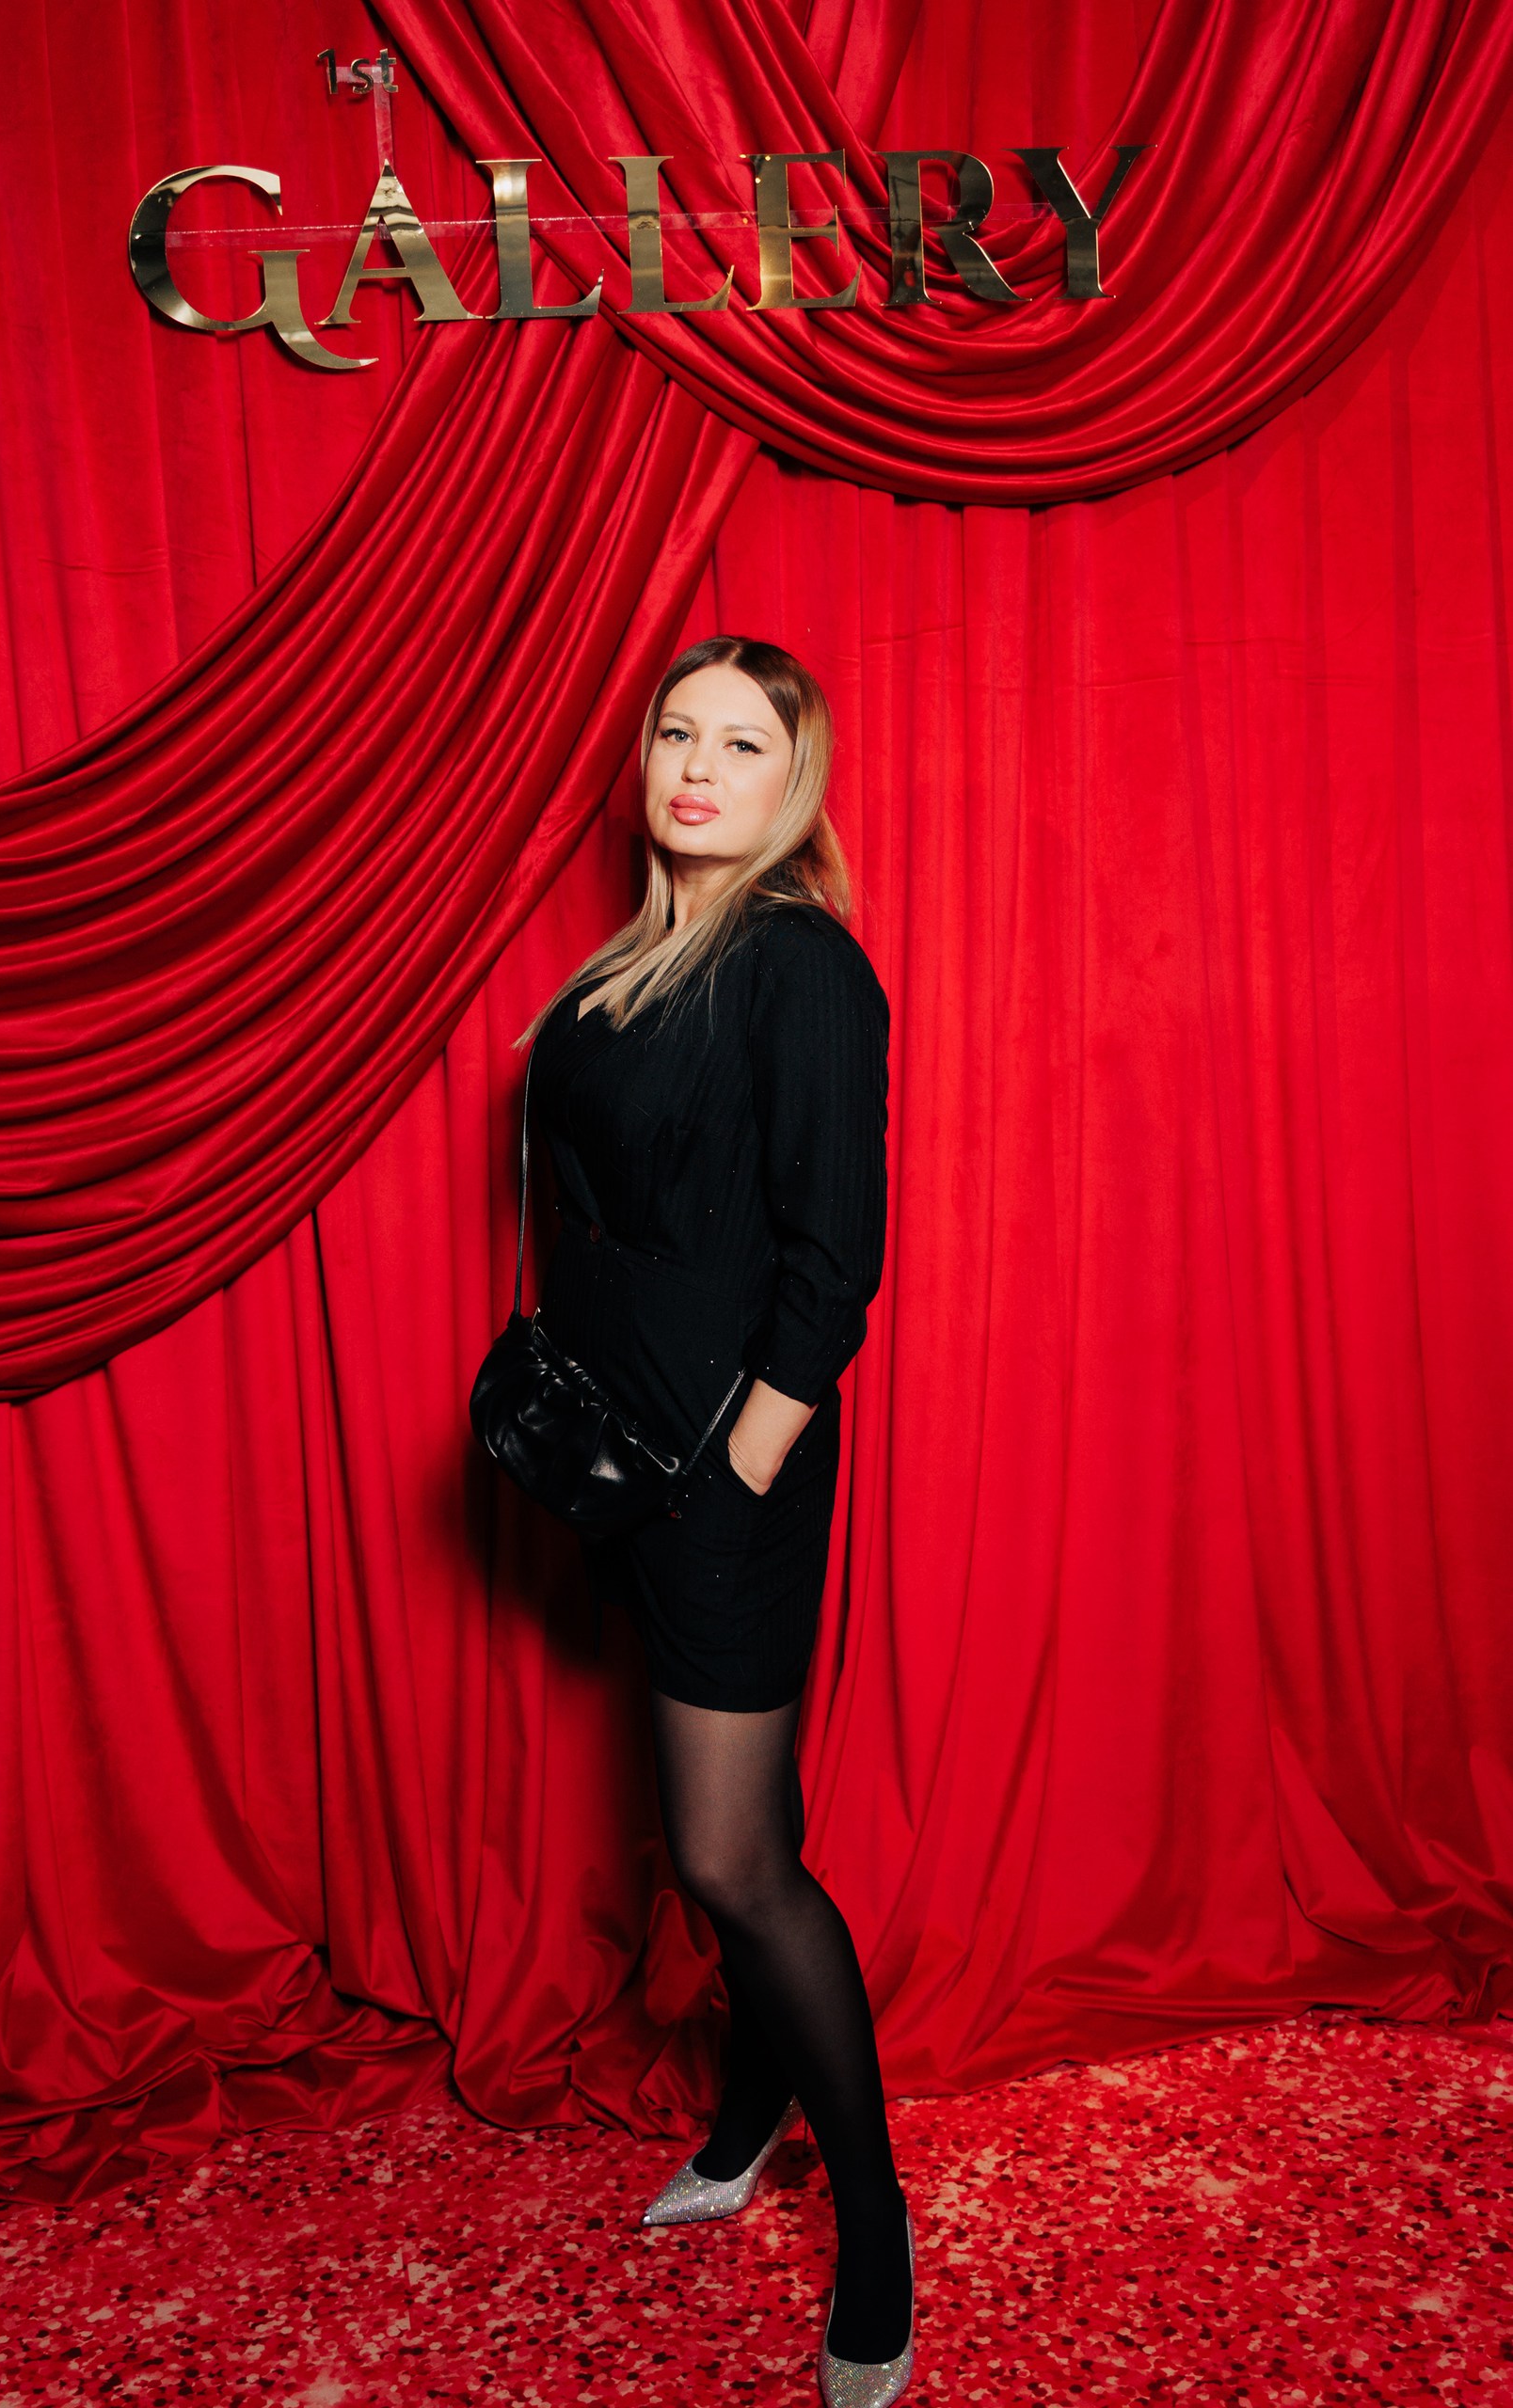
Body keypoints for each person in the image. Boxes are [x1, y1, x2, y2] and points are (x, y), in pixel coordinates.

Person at [518, 636, 914, 2404]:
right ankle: (752, 2108)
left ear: (792, 780)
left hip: (719, 1471)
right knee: (746, 1839)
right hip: (626, 1455)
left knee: (730, 1864)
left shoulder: (798, 964)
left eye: (743, 744)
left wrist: (736, 1472)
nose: (697, 765)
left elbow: (834, 1264)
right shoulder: (637, 957)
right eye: (679, 732)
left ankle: (877, 2226)